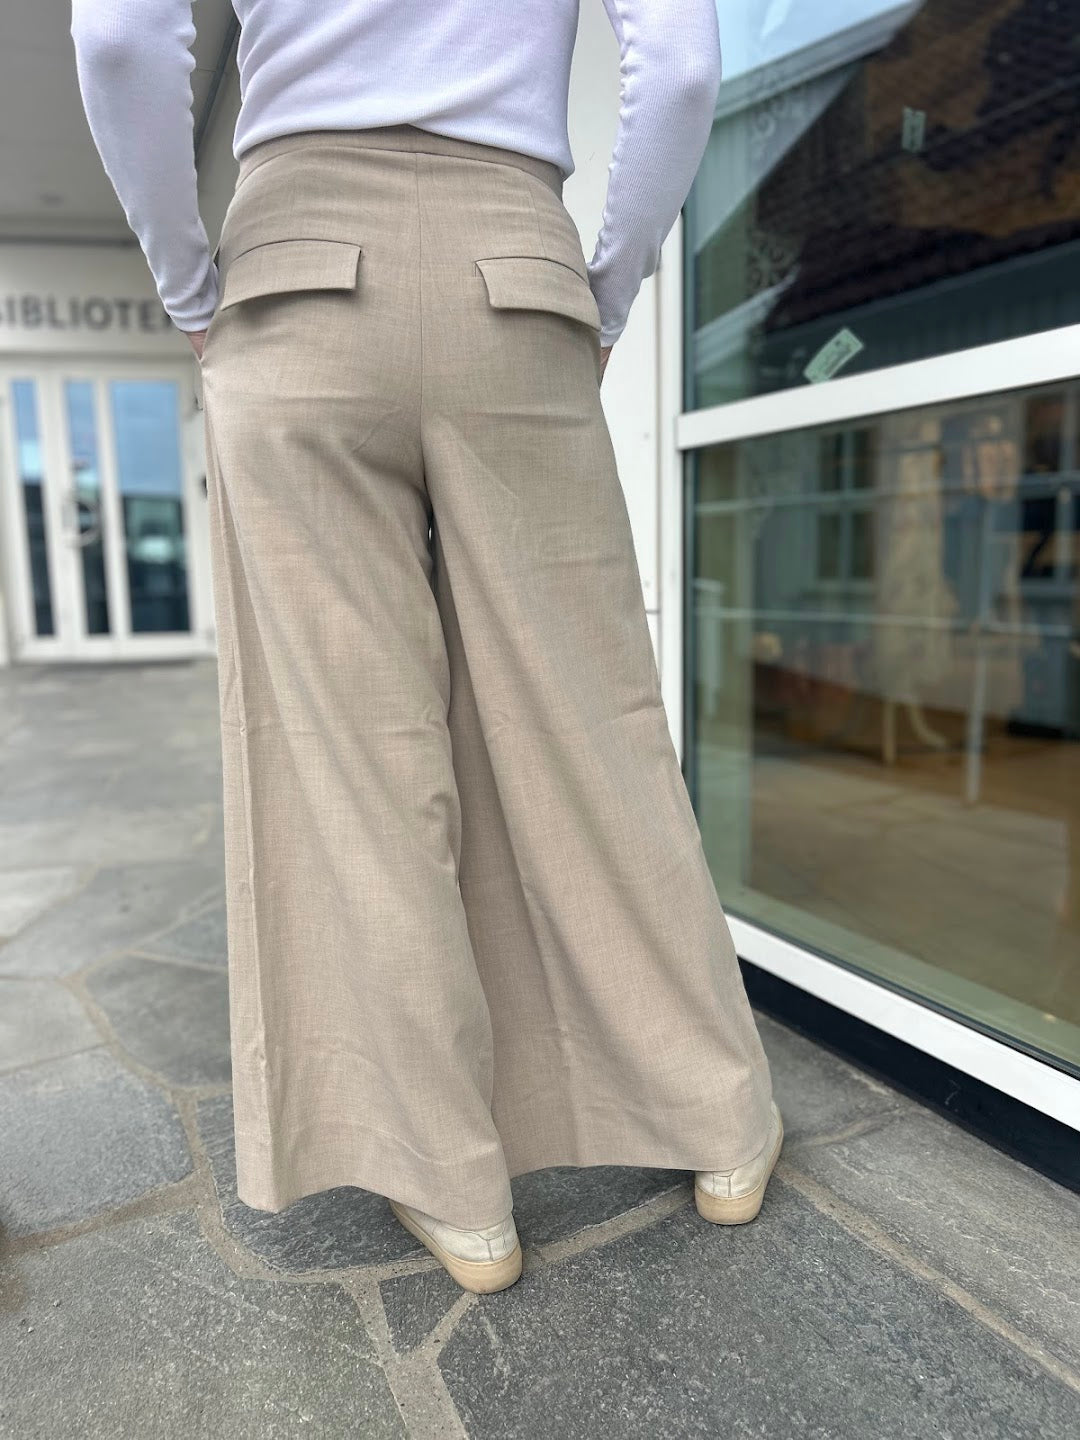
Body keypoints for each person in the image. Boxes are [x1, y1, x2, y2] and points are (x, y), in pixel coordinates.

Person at [71, 0, 782, 1295]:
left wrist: (189, 288)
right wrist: (601, 294)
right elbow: (680, 64)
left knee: (350, 761)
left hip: (293, 277)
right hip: (512, 273)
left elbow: (120, 37)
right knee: (596, 726)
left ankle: (458, 1194)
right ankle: (720, 1119)